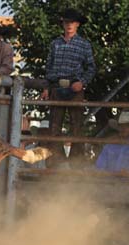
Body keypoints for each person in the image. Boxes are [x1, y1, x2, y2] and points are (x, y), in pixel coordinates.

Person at [41, 8, 96, 165]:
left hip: (75, 86)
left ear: (77, 24)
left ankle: (75, 162)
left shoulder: (84, 44)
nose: (69, 25)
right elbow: (49, 68)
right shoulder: (55, 44)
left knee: (76, 125)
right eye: (66, 22)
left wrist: (82, 82)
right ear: (63, 24)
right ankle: (57, 161)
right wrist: (46, 87)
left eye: (71, 22)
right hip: (57, 87)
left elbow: (91, 67)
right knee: (54, 126)